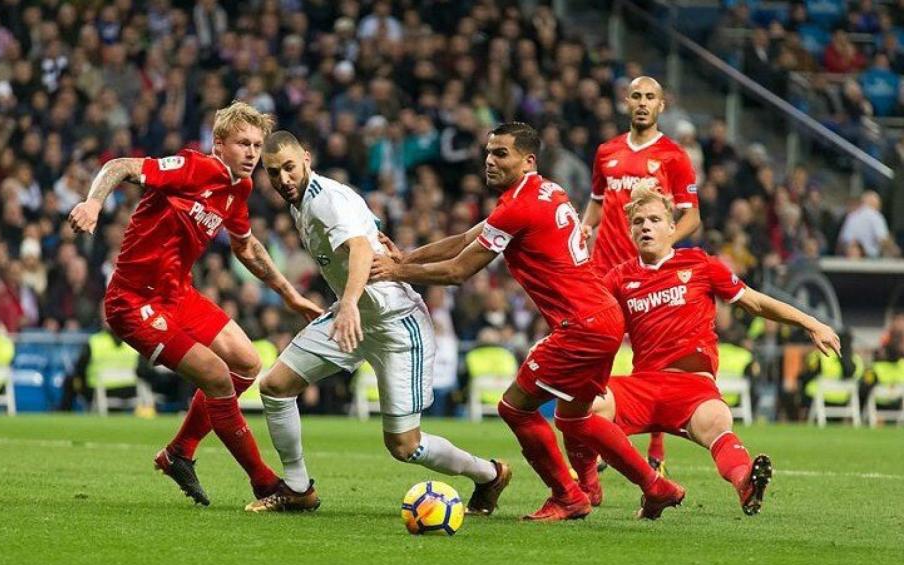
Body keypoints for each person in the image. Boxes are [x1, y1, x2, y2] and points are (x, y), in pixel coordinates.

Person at [372, 122, 685, 522]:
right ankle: (655, 486)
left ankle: (568, 496)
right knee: (575, 417)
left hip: (582, 323)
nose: (490, 160)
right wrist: (405, 259)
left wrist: (395, 273)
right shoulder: (545, 190)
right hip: (605, 316)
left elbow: (457, 272)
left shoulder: (519, 205)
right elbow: (471, 235)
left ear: (528, 160)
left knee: (514, 408)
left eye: (501, 153)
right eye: (488, 152)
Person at [236, 131, 509, 513]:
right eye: (274, 172)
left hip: (397, 323)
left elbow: (361, 249)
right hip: (354, 318)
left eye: (290, 168)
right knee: (276, 386)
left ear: (307, 159)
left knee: (405, 446)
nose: (283, 179)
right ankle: (298, 488)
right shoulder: (303, 202)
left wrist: (347, 303)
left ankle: (490, 474)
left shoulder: (326, 200)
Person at [68, 101, 323, 506]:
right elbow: (118, 165)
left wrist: (288, 293)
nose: (253, 153)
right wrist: (94, 203)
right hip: (134, 302)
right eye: (243, 143)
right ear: (219, 144)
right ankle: (264, 482)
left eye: (257, 144)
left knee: (247, 362)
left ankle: (179, 453)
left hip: (178, 294)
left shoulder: (240, 188)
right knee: (218, 377)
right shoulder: (192, 167)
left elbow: (246, 246)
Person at [576, 189, 840, 515]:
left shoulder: (699, 263)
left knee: (717, 421)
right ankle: (591, 485)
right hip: (643, 385)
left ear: (672, 228)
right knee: (581, 403)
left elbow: (755, 302)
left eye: (655, 220)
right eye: (638, 222)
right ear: (629, 232)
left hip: (692, 387)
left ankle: (746, 484)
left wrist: (810, 322)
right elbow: (590, 321)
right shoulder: (618, 277)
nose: (646, 227)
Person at [581, 76, 701, 475]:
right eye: (636, 96)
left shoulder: (673, 156)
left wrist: (663, 247)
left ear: (662, 106)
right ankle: (595, 439)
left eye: (650, 97)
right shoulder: (606, 152)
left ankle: (656, 452)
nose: (643, 103)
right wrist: (584, 226)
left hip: (648, 275)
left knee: (652, 362)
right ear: (625, 102)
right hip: (604, 272)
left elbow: (692, 215)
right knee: (596, 354)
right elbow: (598, 202)